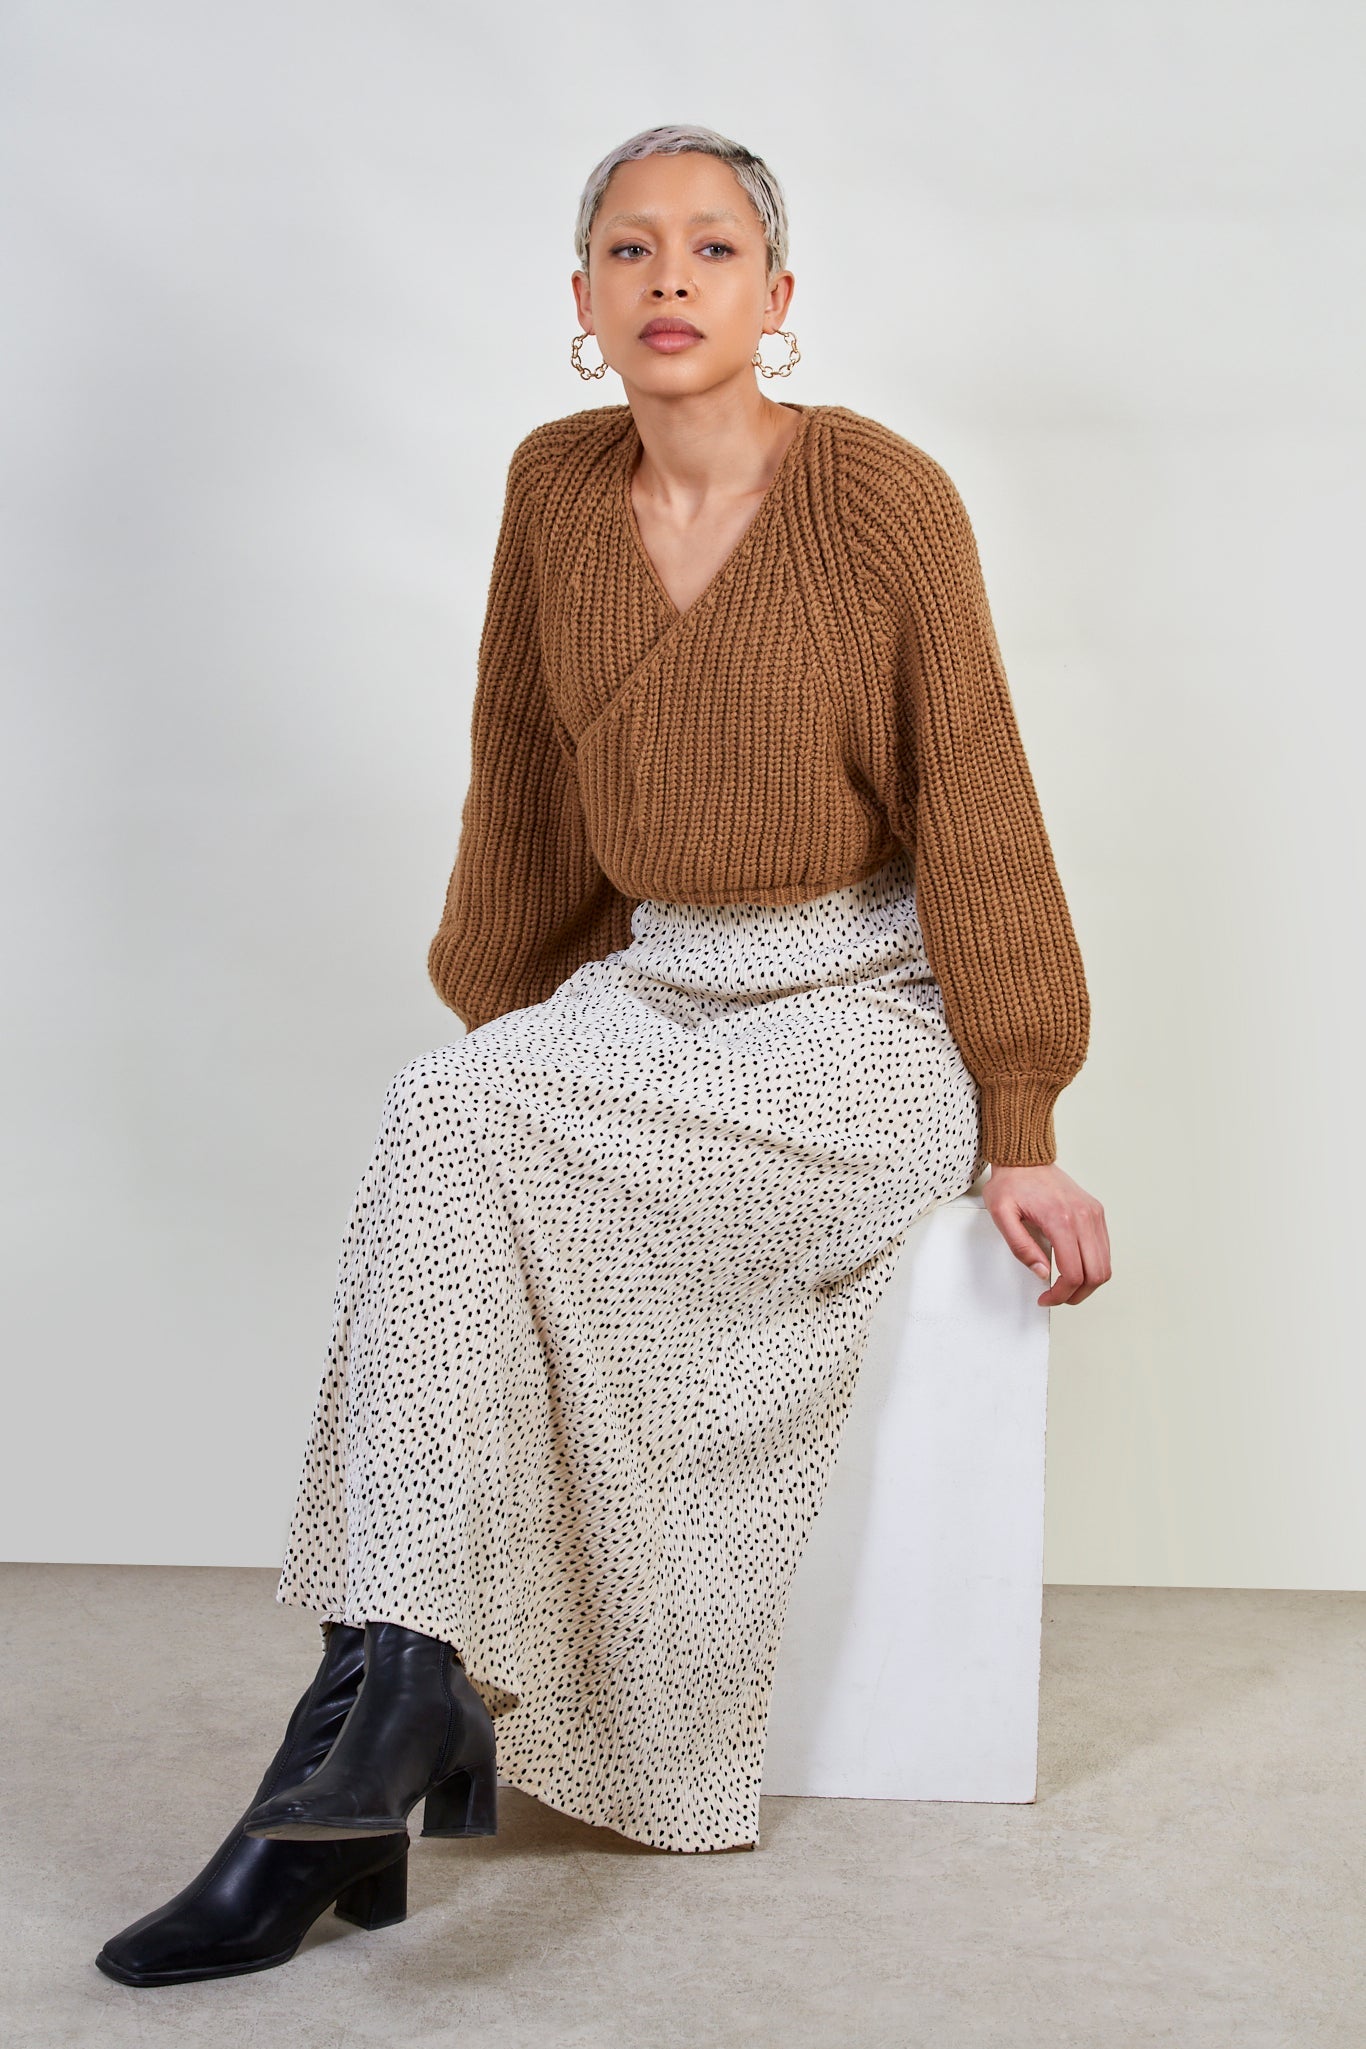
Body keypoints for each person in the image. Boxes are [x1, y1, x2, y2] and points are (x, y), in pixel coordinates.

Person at [97, 122, 1110, 1987]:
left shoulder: (882, 497)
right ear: (579, 298)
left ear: (776, 296)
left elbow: (975, 793)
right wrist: (515, 1025)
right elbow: (523, 779)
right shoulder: (553, 487)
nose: (668, 278)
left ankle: (355, 1761)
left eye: (711, 248)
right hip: (659, 988)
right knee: (449, 1108)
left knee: (469, 1135)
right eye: (630, 249)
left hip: (860, 1008)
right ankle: (394, 1696)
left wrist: (1020, 1109)